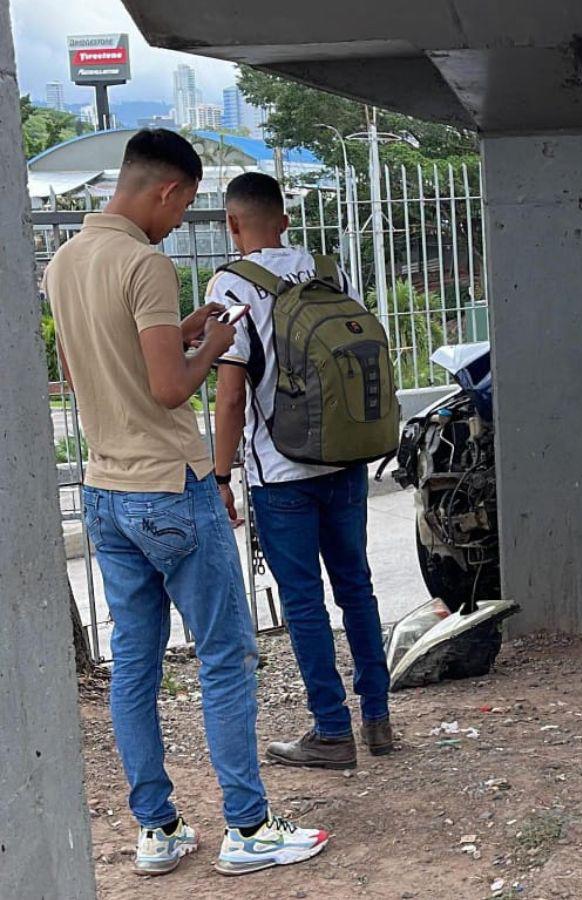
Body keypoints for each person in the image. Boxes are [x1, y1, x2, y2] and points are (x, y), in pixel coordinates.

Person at [45, 130, 328, 878]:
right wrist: (212, 341)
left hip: (105, 488)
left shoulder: (65, 262)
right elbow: (171, 388)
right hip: (170, 485)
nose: (179, 222)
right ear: (167, 190)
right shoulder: (145, 263)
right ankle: (247, 827)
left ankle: (158, 830)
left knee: (135, 665)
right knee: (227, 657)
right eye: (183, 207)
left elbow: (87, 370)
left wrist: (183, 332)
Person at [210, 172, 393, 771]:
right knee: (356, 586)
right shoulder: (325, 272)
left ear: (233, 224)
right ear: (284, 221)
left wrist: (220, 474)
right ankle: (378, 717)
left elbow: (232, 396)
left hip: (281, 472)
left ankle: (332, 733)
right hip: (343, 458)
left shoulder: (232, 282)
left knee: (305, 602)